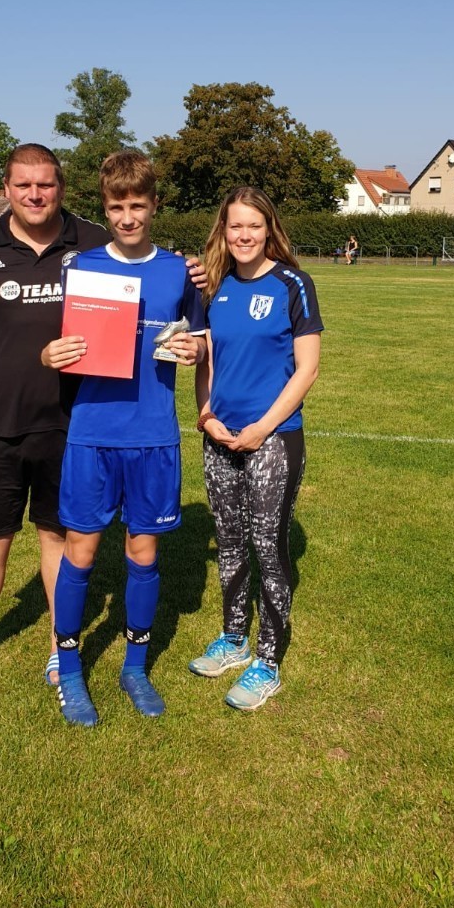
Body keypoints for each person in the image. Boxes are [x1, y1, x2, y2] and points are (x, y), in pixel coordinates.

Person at [0, 144, 204, 698]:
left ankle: (63, 649)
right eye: (24, 185)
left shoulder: (89, 244)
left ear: (61, 188)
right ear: (7, 188)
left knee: (57, 534)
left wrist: (191, 272)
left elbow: (161, 282)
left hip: (68, 419)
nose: (35, 194)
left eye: (46, 184)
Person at [42, 151, 205, 726]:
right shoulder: (81, 268)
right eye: (117, 207)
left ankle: (134, 667)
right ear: (105, 208)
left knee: (143, 552)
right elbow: (58, 340)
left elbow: (199, 338)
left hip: (154, 435)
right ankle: (69, 669)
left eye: (138, 205)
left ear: (155, 205)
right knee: (81, 552)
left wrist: (194, 348)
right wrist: (51, 353)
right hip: (93, 434)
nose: (128, 217)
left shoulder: (180, 273)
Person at [190, 186, 322, 711]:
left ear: (269, 229)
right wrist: (206, 416)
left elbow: (307, 369)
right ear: (223, 230)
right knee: (229, 542)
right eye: (235, 226)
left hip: (274, 439)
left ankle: (267, 661)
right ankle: (234, 639)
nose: (244, 235)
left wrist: (263, 428)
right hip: (220, 437)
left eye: (254, 225)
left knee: (267, 546)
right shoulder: (214, 286)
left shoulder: (294, 283)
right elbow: (206, 362)